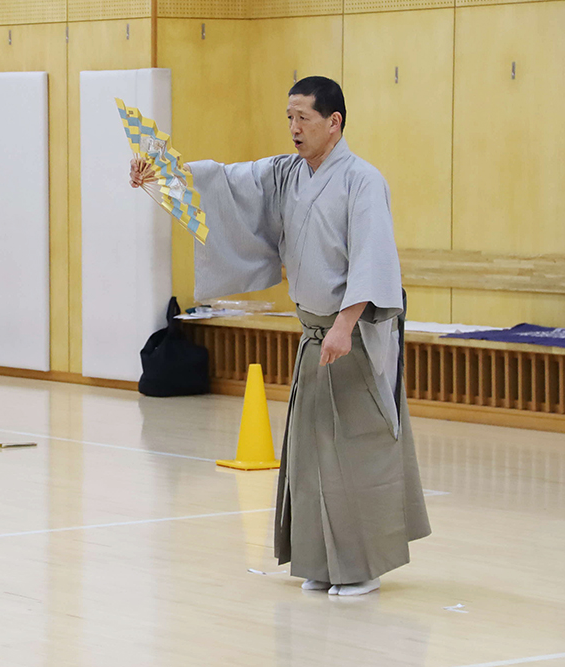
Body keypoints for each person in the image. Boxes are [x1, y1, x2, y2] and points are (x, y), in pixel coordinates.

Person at [131, 76, 430, 596]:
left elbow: (373, 259)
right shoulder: (287, 173)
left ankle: (360, 567)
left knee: (354, 450)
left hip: (354, 334)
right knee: (313, 452)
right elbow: (223, 182)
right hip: (315, 333)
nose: (293, 128)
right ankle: (320, 561)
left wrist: (342, 325)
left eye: (303, 119)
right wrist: (162, 174)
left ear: (334, 122)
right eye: (288, 117)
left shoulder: (363, 180)